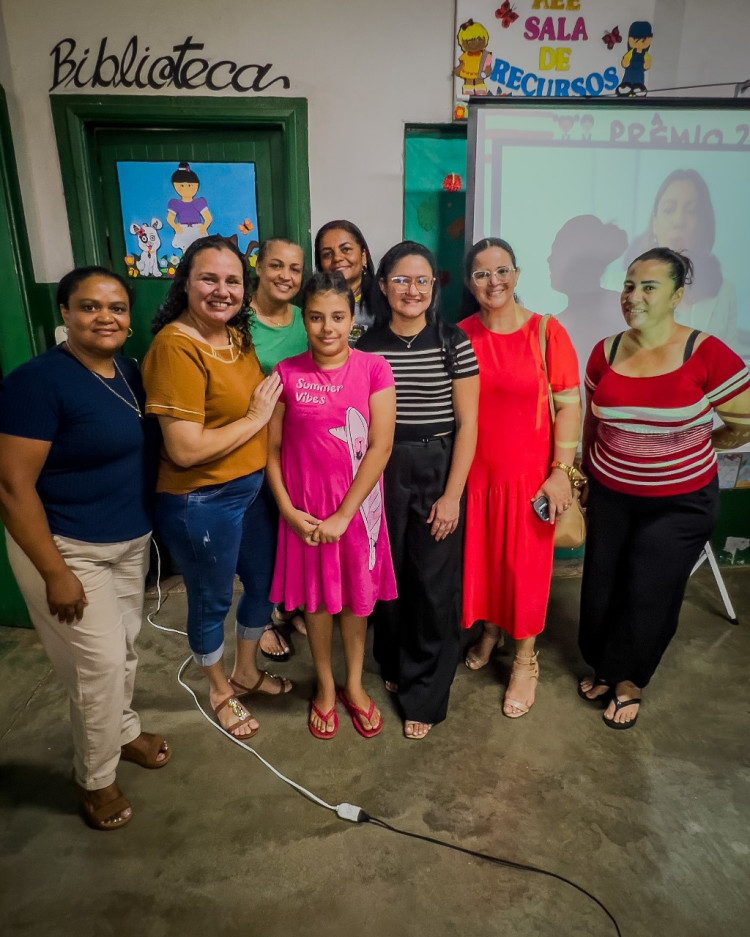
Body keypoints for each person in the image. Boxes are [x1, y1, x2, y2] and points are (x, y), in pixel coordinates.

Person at [0, 267, 166, 831]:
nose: (105, 318)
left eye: (117, 308)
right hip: (67, 547)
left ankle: (122, 731)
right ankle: (94, 778)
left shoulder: (129, 371)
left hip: (127, 539)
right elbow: (11, 486)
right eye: (89, 307)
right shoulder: (37, 382)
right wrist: (55, 572)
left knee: (123, 648)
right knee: (96, 667)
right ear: (64, 314)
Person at [578, 248, 750, 729]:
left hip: (679, 504)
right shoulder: (605, 351)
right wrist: (585, 475)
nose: (634, 296)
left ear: (677, 295)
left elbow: (742, 421)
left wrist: (698, 445)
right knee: (601, 588)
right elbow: (595, 421)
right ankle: (605, 668)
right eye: (629, 285)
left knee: (648, 591)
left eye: (649, 287)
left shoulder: (706, 353)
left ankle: (630, 681)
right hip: (611, 494)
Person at [142, 235, 291, 742]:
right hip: (200, 500)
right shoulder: (175, 347)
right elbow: (184, 449)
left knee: (265, 585)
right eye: (209, 278)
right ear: (185, 282)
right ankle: (218, 687)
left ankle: (246, 671)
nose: (222, 290)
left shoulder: (236, 335)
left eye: (233, 281)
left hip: (250, 490)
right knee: (211, 600)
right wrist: (255, 419)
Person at [357, 241, 479, 739]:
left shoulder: (453, 342)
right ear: (383, 285)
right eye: (401, 280)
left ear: (434, 287)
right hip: (381, 466)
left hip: (436, 466)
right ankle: (393, 660)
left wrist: (452, 495)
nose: (412, 290)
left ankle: (425, 693)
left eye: (422, 280)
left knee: (432, 584)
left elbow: (468, 425)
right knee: (387, 574)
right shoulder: (363, 345)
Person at [267, 271, 397, 739]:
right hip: (304, 515)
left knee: (357, 603)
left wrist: (344, 516)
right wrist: (286, 509)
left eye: (338, 317)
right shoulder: (285, 374)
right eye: (317, 317)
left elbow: (380, 447)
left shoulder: (374, 369)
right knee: (318, 603)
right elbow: (272, 450)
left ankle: (353, 685)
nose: (327, 328)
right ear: (304, 319)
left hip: (356, 513)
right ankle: (324, 686)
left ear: (352, 317)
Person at [459, 238, 580, 718]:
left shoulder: (547, 332)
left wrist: (560, 473)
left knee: (525, 572)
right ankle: (490, 630)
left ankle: (526, 661)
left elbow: (570, 408)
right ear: (470, 283)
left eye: (502, 270)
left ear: (517, 273)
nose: (494, 281)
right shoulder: (460, 334)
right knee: (483, 565)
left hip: (530, 480)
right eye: (482, 273)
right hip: (475, 478)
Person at [247, 236, 309, 662]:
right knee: (263, 540)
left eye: (294, 269)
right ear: (258, 267)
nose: (285, 276)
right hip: (250, 448)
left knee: (297, 534)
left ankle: (290, 606)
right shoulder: (236, 321)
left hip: (301, 449)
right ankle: (263, 618)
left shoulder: (308, 319)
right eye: (276, 266)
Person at [630, 169, 739, 348]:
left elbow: (730, 368)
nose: (679, 221)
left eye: (691, 211)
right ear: (654, 222)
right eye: (669, 210)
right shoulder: (617, 286)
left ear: (703, 224)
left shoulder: (725, 293)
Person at [314, 220, 377, 340]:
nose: (337, 258)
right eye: (327, 254)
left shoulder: (384, 302)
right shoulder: (313, 304)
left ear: (363, 256)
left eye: (346, 249)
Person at [166, 162, 213, 254]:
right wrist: (176, 227)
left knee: (199, 252)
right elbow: (170, 219)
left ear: (196, 186)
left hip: (197, 229)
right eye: (181, 186)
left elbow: (208, 218)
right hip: (183, 229)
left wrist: (204, 227)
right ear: (175, 186)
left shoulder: (199, 202)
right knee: (186, 252)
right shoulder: (175, 204)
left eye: (190, 185)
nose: (186, 189)